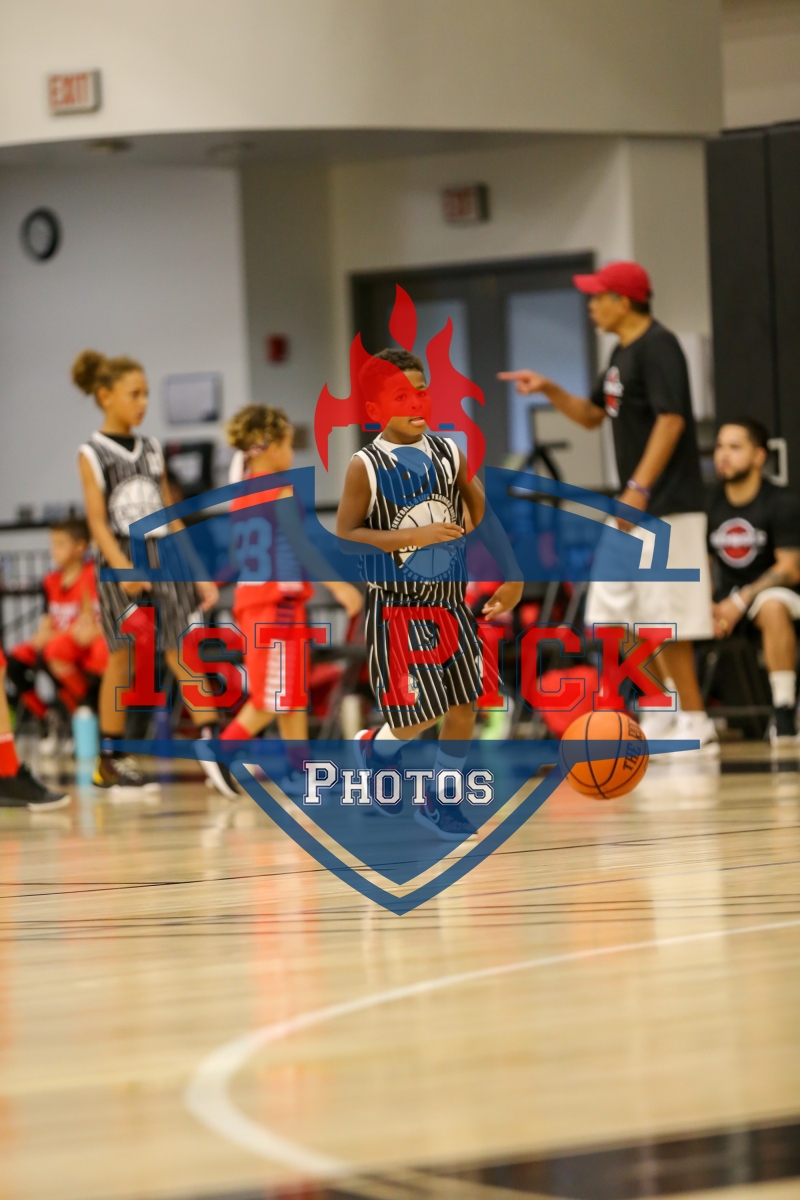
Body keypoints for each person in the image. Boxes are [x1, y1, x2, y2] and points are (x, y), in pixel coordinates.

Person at [499, 260, 717, 753]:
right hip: (634, 507)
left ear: (623, 300)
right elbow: (592, 415)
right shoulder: (621, 352)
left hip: (667, 504)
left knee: (667, 618)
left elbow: (672, 420)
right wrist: (549, 388)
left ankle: (696, 719)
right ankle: (663, 706)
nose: (591, 306)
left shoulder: (659, 346)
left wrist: (638, 487)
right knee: (610, 617)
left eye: (598, 297)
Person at [336, 348, 522, 840]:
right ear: (374, 409)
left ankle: (441, 801)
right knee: (424, 712)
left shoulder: (448, 452)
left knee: (465, 705)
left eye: (421, 393)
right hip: (397, 608)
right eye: (401, 397)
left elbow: (483, 515)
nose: (416, 404)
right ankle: (376, 748)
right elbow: (346, 535)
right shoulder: (365, 465)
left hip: (451, 605)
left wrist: (513, 574)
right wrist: (411, 537)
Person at [73, 350, 220, 798]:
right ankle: (109, 761)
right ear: (105, 396)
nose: (142, 403)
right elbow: (97, 522)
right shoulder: (92, 452)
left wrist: (199, 572)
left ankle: (215, 744)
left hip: (165, 560)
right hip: (121, 562)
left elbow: (171, 515)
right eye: (134, 394)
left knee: (181, 649)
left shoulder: (153, 448)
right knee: (122, 658)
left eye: (146, 394)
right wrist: (124, 568)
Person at [204, 404, 363, 798]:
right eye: (289, 444)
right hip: (277, 606)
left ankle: (300, 771)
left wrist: (214, 581)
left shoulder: (241, 493)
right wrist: (339, 587)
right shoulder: (280, 489)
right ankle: (221, 751)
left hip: (256, 603)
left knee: (290, 694)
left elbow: (238, 556)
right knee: (272, 698)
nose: (292, 453)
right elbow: (302, 546)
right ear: (271, 446)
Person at [709, 418, 800, 743]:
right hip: (725, 603)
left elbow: (790, 569)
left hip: (782, 596)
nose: (723, 455)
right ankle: (680, 715)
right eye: (720, 446)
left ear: (760, 456)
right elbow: (700, 566)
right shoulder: (709, 502)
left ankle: (784, 710)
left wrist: (739, 600)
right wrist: (706, 606)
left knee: (771, 604)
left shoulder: (782, 501)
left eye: (735, 447)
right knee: (666, 605)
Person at [6, 518, 107, 746]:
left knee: (52, 654)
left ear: (80, 547)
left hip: (77, 642)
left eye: (60, 544)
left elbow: (86, 622)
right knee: (14, 662)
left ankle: (83, 712)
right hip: (58, 639)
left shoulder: (92, 574)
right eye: (53, 544)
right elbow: (47, 619)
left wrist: (54, 636)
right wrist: (41, 634)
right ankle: (46, 717)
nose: (54, 550)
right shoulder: (51, 580)